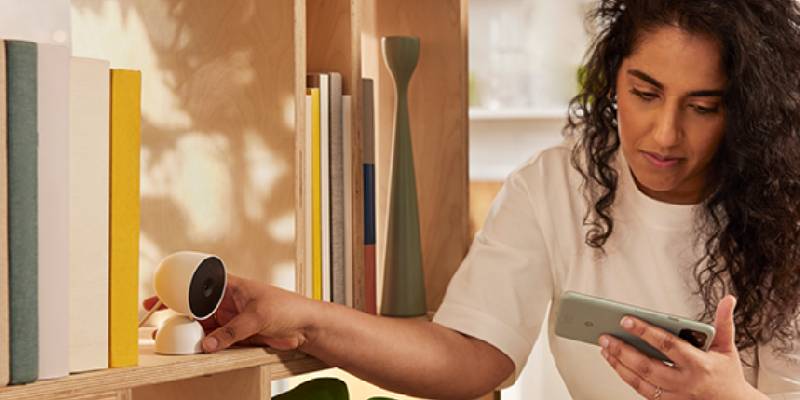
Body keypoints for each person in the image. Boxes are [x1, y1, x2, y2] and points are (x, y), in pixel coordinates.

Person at [144, 1, 800, 399]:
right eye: (645, 92)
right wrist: (306, 317)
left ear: (745, 107)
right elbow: (469, 357)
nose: (664, 135)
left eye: (703, 107)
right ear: (611, 79)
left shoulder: (786, 213)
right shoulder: (560, 182)